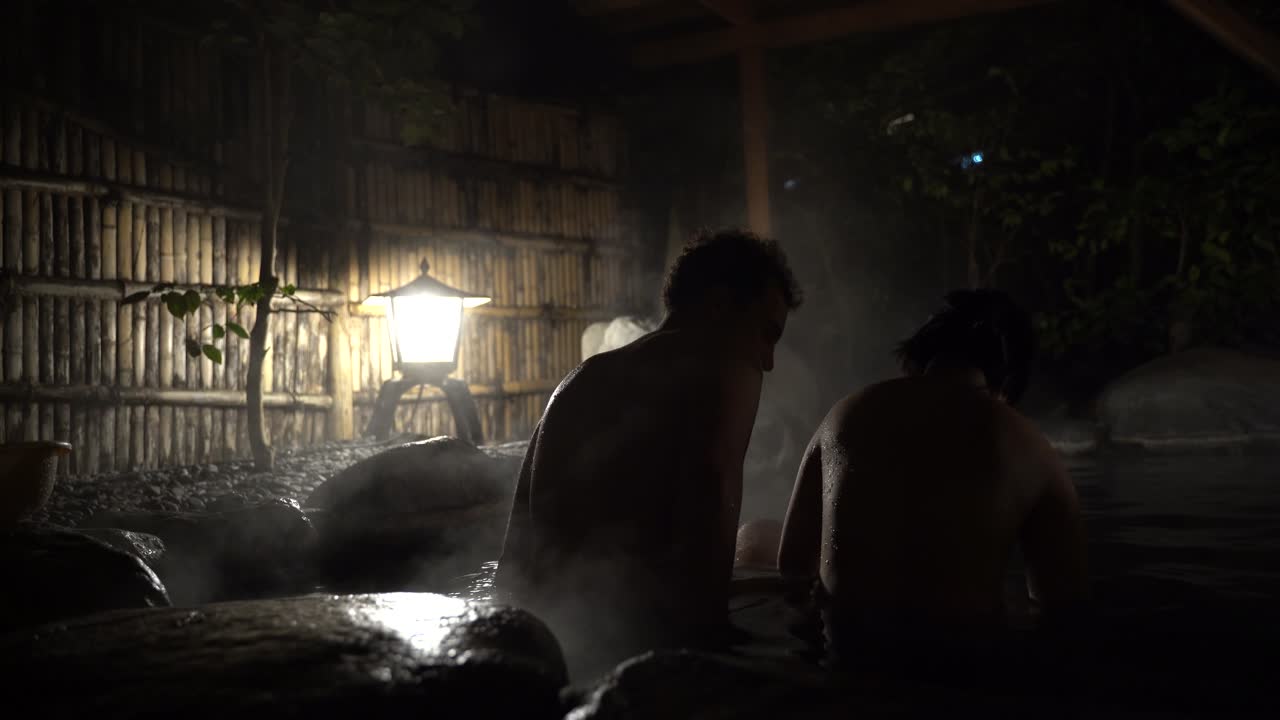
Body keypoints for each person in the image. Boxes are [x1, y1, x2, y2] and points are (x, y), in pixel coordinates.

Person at [495, 228, 802, 672]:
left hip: (550, 640)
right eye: (766, 333)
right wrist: (717, 645)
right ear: (719, 304)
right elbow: (714, 492)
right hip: (644, 644)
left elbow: (515, 558)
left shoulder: (579, 380)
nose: (767, 360)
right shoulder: (726, 366)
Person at [777, 289, 1088, 670]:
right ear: (1009, 380)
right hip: (962, 671)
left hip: (849, 664)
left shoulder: (841, 417)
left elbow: (792, 566)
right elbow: (1062, 607)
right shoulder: (1031, 448)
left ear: (921, 352)